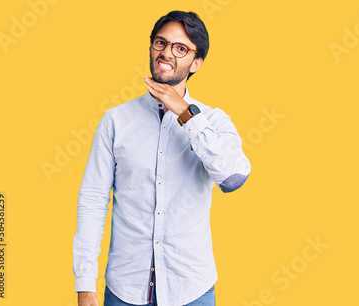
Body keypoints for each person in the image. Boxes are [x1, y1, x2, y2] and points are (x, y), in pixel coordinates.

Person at [73, 10, 251, 306]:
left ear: (196, 62)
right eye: (160, 42)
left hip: (191, 289)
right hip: (125, 289)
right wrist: (85, 284)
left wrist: (186, 114)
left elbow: (233, 178)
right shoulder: (115, 120)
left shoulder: (214, 121)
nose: (166, 52)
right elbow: (92, 200)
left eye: (180, 48)